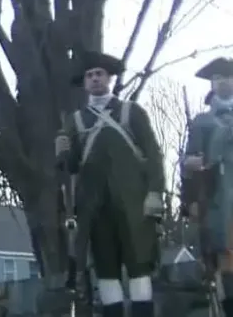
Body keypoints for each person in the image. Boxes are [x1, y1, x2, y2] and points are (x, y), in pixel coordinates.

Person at [55, 50, 163, 317]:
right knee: (106, 270)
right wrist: (63, 153)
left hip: (134, 204)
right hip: (95, 208)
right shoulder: (76, 120)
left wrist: (154, 192)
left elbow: (152, 153)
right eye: (89, 75)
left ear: (109, 78)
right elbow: (72, 166)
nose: (94, 79)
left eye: (99, 74)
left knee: (139, 267)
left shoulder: (131, 112)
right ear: (84, 82)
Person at [181, 57, 233, 315]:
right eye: (217, 78)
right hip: (218, 199)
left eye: (228, 76)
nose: (222, 81)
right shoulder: (202, 121)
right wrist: (190, 200)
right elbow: (189, 163)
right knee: (225, 258)